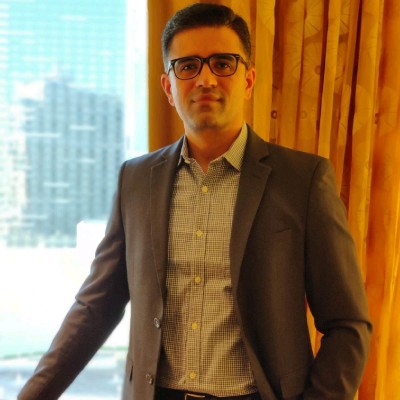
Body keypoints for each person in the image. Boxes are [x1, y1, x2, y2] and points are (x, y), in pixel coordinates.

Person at [18, 3, 372, 400]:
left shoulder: (303, 181)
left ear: (248, 80)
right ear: (168, 87)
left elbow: (348, 324)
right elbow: (96, 306)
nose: (205, 79)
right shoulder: (135, 180)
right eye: (187, 66)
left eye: (222, 63)